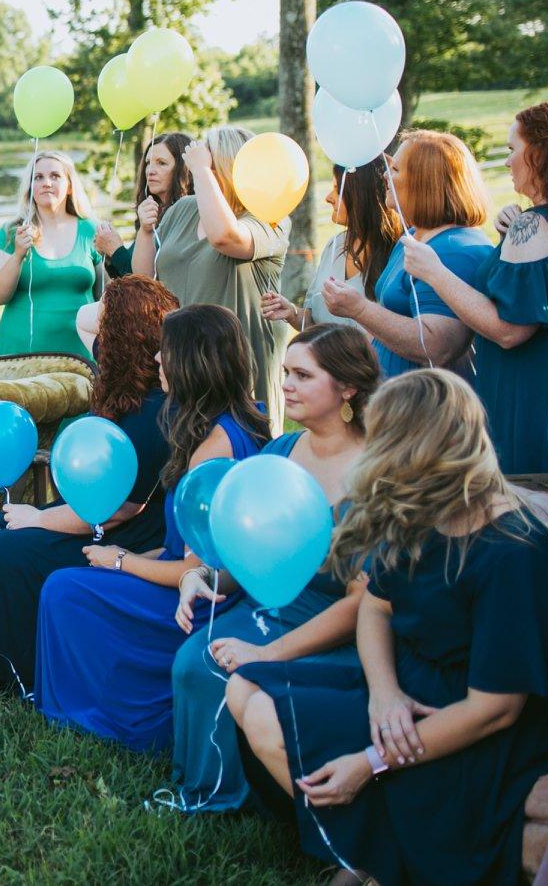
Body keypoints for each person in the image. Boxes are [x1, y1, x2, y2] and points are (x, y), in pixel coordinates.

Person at [227, 369, 548, 885]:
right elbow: (376, 606)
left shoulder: (513, 553)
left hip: (472, 722)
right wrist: (384, 694)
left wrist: (369, 762)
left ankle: (377, 859)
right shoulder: (421, 511)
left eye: (387, 441)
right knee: (245, 689)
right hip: (404, 688)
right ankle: (370, 849)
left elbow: (496, 710)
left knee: (290, 728)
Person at [34, 303, 268, 751]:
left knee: (65, 590)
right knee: (78, 580)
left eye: (167, 351)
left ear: (194, 362)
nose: (158, 359)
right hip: (192, 580)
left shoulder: (212, 452)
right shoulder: (236, 421)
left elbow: (196, 573)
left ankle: (88, 716)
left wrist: (120, 560)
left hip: (201, 605)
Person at [168, 323, 378, 812]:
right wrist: (199, 577)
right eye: (285, 372)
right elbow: (249, 558)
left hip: (339, 627)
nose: (284, 385)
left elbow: (363, 605)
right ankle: (213, 793)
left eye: (303, 376)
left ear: (347, 387)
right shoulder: (278, 453)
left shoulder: (376, 471)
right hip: (269, 605)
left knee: (244, 672)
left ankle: (273, 803)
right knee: (195, 662)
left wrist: (269, 653)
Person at [0, 274, 179, 696]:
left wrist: (39, 517)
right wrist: (117, 300)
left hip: (128, 530)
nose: (97, 315)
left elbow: (120, 510)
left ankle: (11, 670)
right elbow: (83, 320)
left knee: (2, 546)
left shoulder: (151, 412)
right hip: (94, 513)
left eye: (107, 312)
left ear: (121, 332)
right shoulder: (117, 370)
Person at [399, 102, 548, 477]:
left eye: (512, 150)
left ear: (539, 155)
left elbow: (509, 331)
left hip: (540, 407)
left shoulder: (535, 227)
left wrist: (434, 272)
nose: (507, 162)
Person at [141, 126, 290, 431]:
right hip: (184, 362)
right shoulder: (183, 210)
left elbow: (225, 237)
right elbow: (145, 279)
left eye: (207, 159)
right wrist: (145, 232)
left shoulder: (269, 218)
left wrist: (199, 169)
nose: (198, 165)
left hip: (235, 364)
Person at [321, 129, 491, 378]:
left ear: (425, 181)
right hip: (395, 396)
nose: (386, 176)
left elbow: (436, 345)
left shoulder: (456, 249)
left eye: (396, 170)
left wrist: (359, 309)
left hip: (429, 404)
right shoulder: (410, 238)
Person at [0, 150, 102, 358]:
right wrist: (18, 255)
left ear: (69, 186)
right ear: (30, 187)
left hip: (79, 352)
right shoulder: (11, 232)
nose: (46, 183)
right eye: (38, 177)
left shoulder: (91, 230)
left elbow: (106, 296)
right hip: (20, 351)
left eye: (55, 176)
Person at [262, 160, 400, 332]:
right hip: (326, 358)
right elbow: (316, 322)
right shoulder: (334, 245)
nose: (329, 198)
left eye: (338, 189)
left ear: (361, 195)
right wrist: (292, 313)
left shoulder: (398, 252)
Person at [96, 132, 193, 278]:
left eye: (161, 163)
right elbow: (128, 277)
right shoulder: (155, 211)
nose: (150, 171)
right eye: (148, 163)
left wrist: (115, 250)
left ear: (183, 168)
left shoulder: (186, 214)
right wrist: (108, 251)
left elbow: (145, 279)